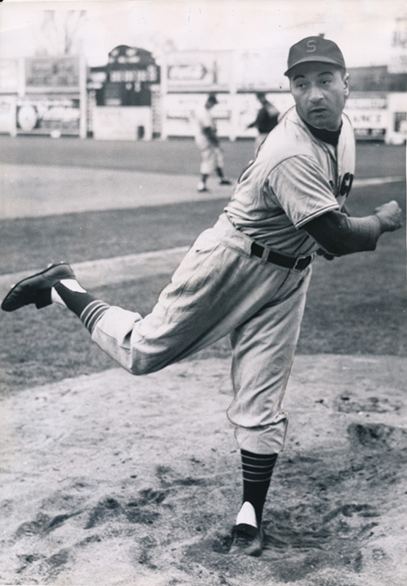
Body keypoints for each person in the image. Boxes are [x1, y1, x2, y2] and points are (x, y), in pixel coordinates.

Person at [2, 36, 402, 558]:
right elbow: (339, 237)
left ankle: (249, 516)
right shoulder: (290, 152)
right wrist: (382, 222)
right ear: (291, 90)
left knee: (261, 401)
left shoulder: (343, 130)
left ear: (346, 84)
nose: (314, 94)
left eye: (325, 80)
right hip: (231, 261)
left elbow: (323, 222)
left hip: (288, 277)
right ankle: (63, 285)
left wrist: (315, 238)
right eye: (301, 84)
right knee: (142, 351)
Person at [193, 93, 232, 192]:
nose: (213, 105)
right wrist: (215, 142)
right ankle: (201, 184)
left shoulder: (203, 110)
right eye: (213, 103)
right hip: (205, 139)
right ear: (209, 102)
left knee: (217, 157)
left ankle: (222, 178)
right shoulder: (203, 113)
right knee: (209, 160)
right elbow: (207, 130)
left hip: (205, 137)